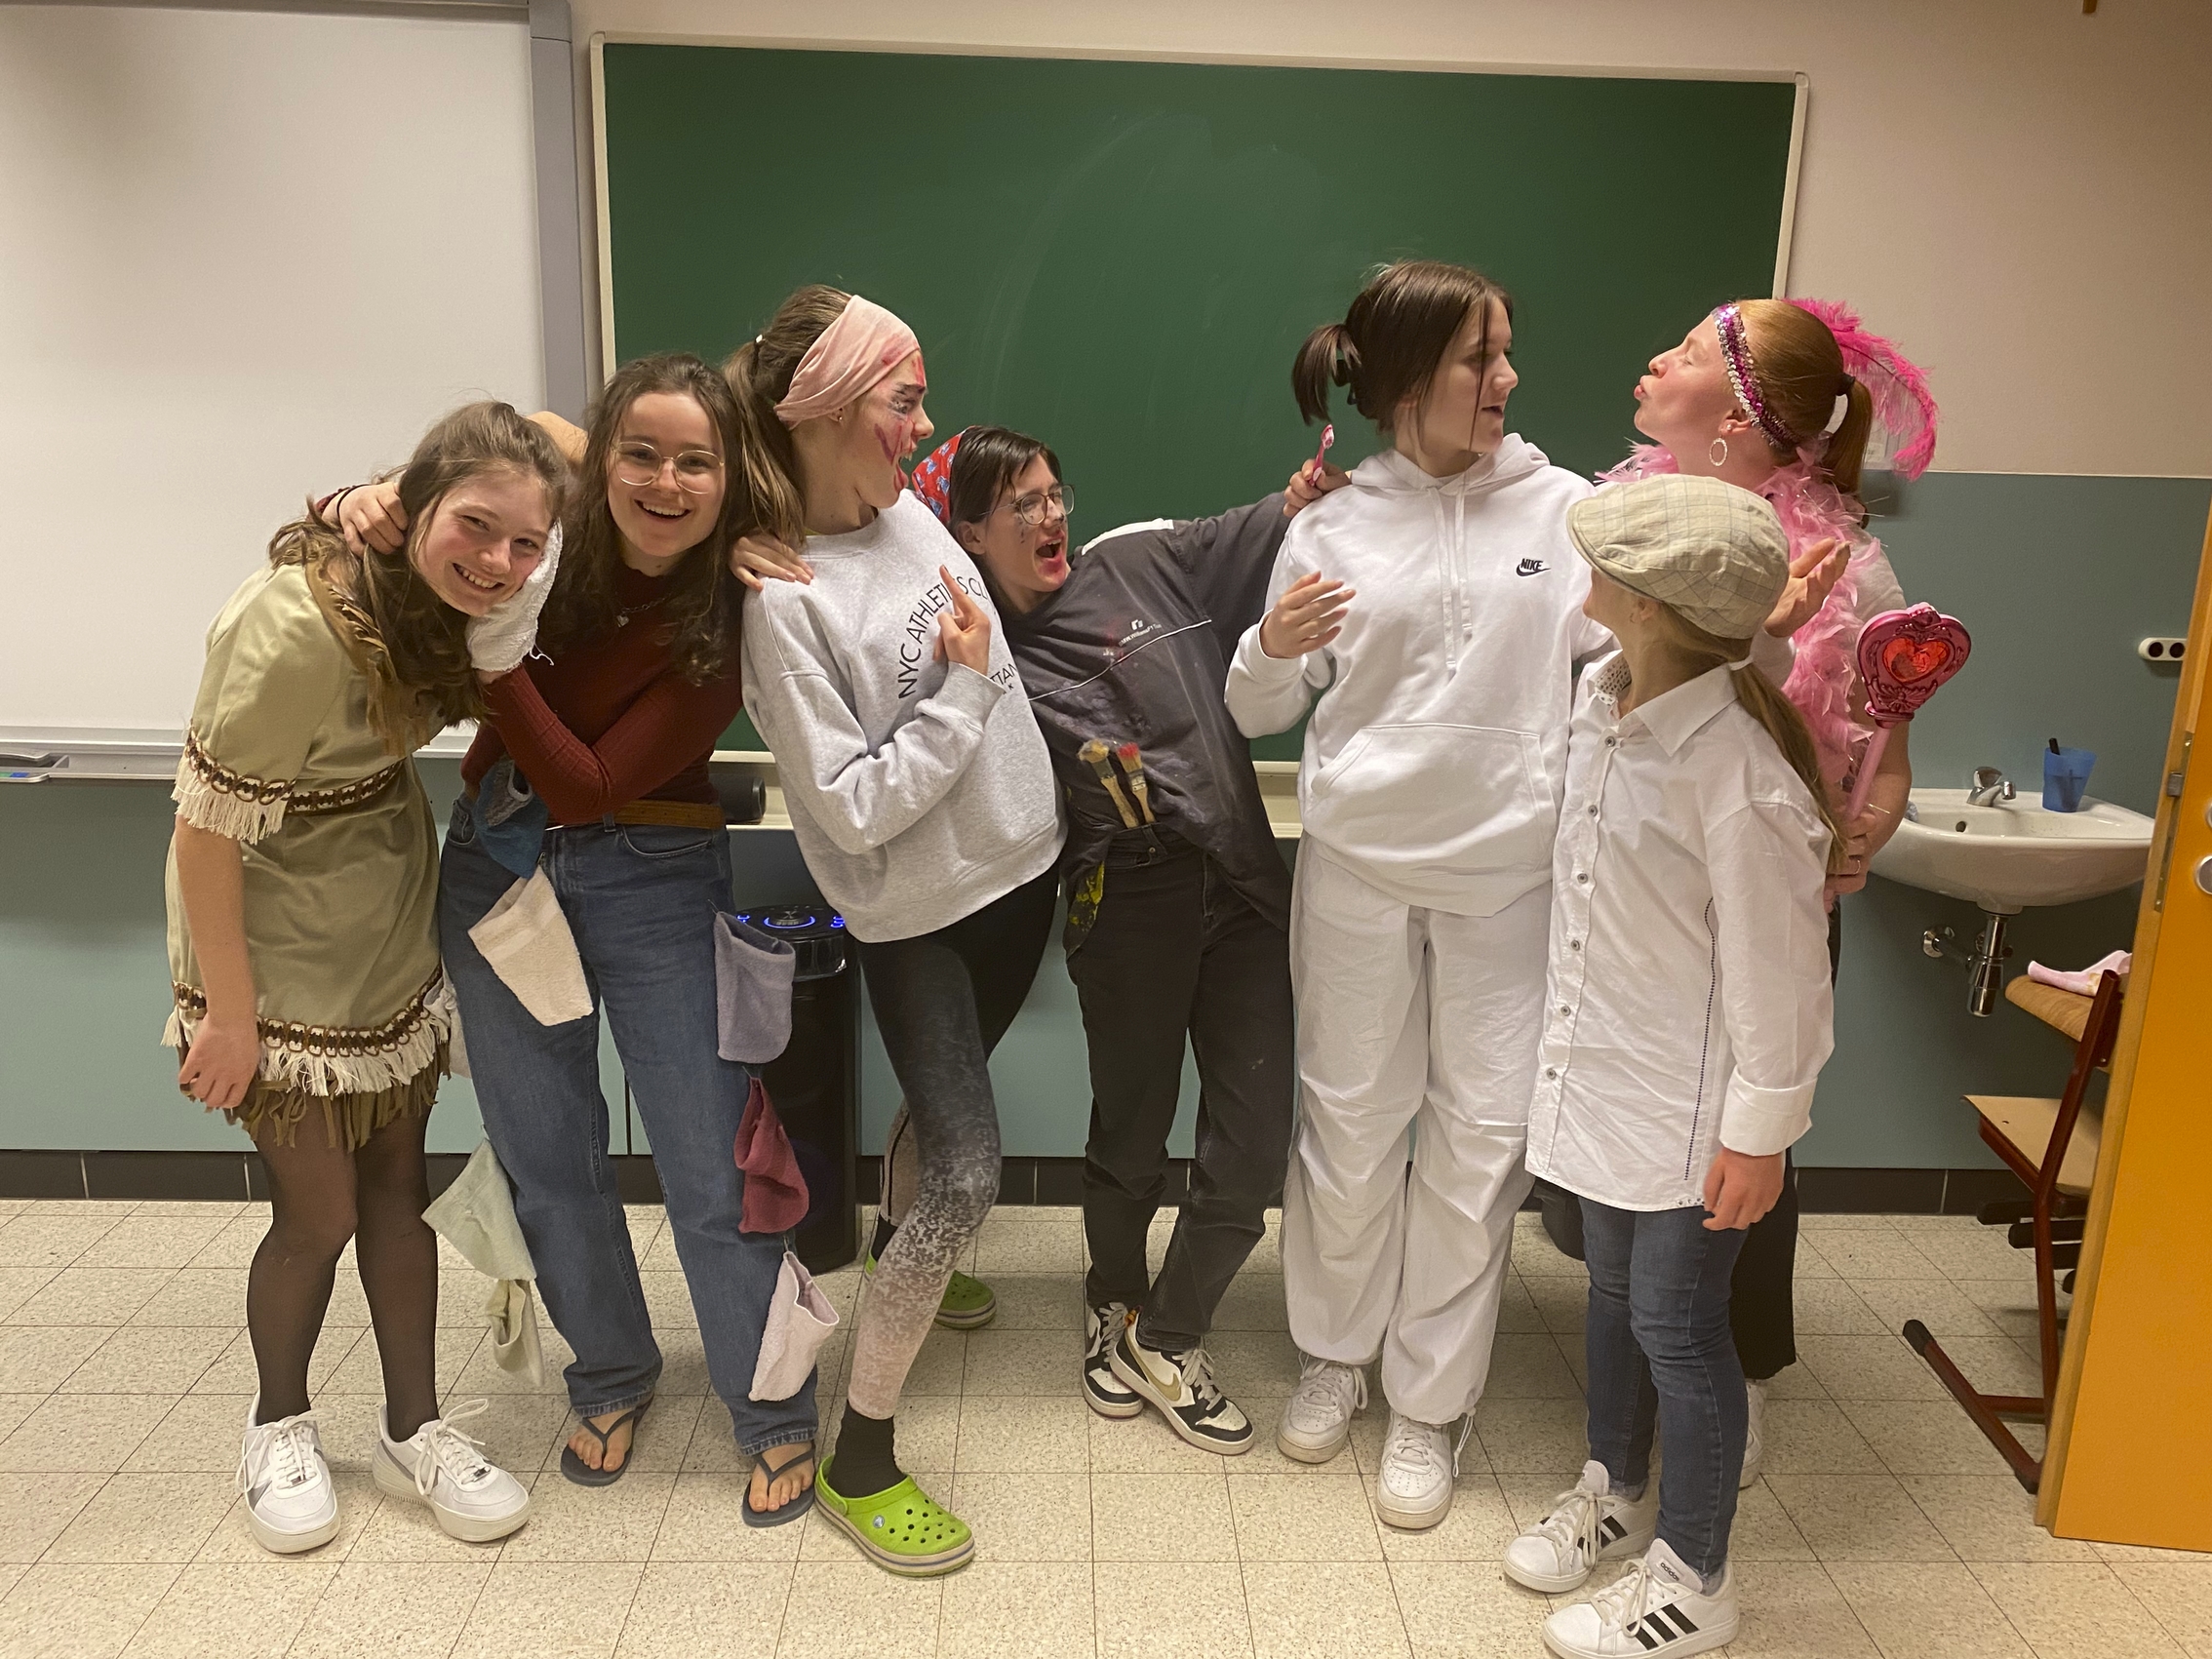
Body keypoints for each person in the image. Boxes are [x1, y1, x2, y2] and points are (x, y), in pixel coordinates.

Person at [335, 354, 823, 1525]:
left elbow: (591, 786)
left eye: (695, 462)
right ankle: (608, 1372)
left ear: (728, 477)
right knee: (546, 1158)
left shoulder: (732, 609)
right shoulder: (542, 532)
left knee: (710, 1165)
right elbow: (469, 473)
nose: (664, 481)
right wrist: (359, 497)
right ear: (600, 456)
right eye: (639, 454)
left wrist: (498, 663)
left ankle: (773, 1410)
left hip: (655, 872)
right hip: (498, 868)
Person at [1222, 258, 1617, 1531]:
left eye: (1503, 353)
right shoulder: (1335, 522)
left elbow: (1619, 680)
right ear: (1406, 380)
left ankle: (1430, 1405)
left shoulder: (1569, 512)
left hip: (1509, 876)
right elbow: (1257, 706)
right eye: (1478, 358)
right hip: (1359, 867)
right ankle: (1335, 1355)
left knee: (1479, 1143)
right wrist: (1268, 649)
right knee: (1347, 1126)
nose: (1507, 377)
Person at [169, 402, 557, 1553]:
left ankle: (411, 1428)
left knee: (397, 1189)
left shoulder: (451, 599)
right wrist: (230, 1017)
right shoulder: (293, 621)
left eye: (526, 542)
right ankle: (278, 1423)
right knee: (320, 1209)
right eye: (474, 524)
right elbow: (203, 832)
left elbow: (562, 436)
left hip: (381, 899)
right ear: (419, 503)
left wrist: (381, 491)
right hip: (267, 921)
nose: (500, 562)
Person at [909, 424, 1336, 1453]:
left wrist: (1312, 495)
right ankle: (1115, 1299)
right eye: (1020, 505)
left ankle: (1165, 1336)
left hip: (1241, 885)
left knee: (1253, 1147)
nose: (1051, 516)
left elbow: (1275, 521)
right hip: (1124, 904)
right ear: (969, 532)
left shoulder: (1143, 559)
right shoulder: (975, 652)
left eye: (1055, 493)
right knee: (1131, 1137)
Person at [731, 288, 1060, 1574]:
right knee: (969, 1174)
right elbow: (856, 808)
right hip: (920, 913)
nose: (926, 428)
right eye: (903, 401)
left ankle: (902, 1247)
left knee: (939, 1116)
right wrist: (966, 692)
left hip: (1020, 874)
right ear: (820, 409)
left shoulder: (907, 509)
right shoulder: (783, 602)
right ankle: (859, 1453)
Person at [1502, 473, 1839, 1659]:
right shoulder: (1610, 701)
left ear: (1646, 603)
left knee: (1680, 1329)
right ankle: (1613, 1482)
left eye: (1604, 562)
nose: (1583, 572)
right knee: (1610, 1295)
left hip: (1696, 1118)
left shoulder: (1739, 778)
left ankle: (1696, 1578)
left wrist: (1761, 1132)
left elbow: (1783, 978)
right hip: (1605, 1080)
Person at [1608, 296, 1937, 1481]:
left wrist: (1863, 837)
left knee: (1749, 1145)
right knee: (1634, 1137)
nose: (1658, 357)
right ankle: (1635, 1365)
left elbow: (1886, 757)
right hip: (1639, 902)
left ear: (1741, 417)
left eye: (1692, 351)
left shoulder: (1848, 565)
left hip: (1769, 906)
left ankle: (1734, 1376)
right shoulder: (1626, 528)